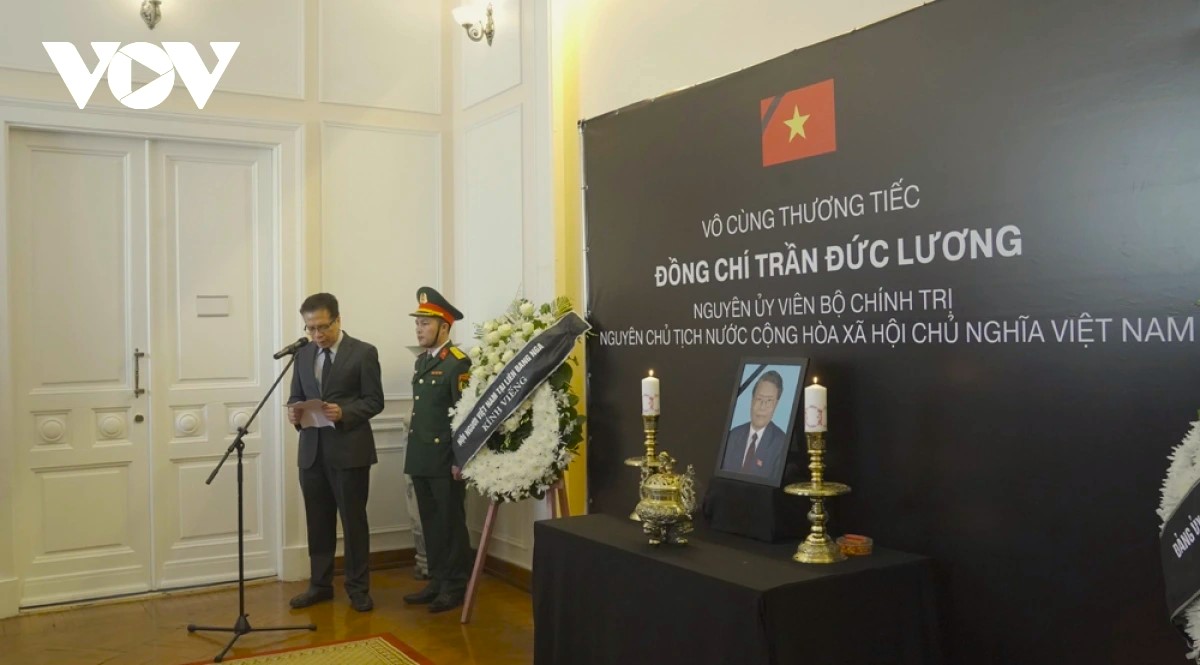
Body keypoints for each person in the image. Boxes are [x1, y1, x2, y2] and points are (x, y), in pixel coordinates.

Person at [286, 293, 384, 613]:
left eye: (323, 327)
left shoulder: (363, 352)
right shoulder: (302, 355)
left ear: (338, 320)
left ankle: (358, 588)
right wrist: (294, 412)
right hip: (312, 452)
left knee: (353, 523)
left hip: (350, 451)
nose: (317, 335)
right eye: (310, 328)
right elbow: (296, 395)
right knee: (318, 522)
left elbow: (375, 401)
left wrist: (345, 412)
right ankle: (320, 585)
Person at [403, 287, 473, 614]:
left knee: (450, 523)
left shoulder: (457, 363)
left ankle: (455, 585)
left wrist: (460, 459)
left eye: (425, 323)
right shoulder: (423, 361)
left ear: (444, 327)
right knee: (430, 522)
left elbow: (464, 416)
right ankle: (438, 579)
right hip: (422, 456)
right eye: (417, 323)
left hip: (445, 459)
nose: (419, 329)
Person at [722, 370, 788, 479]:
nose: (762, 406)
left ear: (776, 404)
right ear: (752, 400)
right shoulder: (732, 436)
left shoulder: (781, 444)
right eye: (759, 399)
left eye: (769, 401)